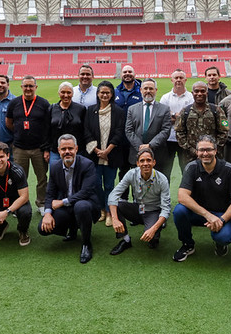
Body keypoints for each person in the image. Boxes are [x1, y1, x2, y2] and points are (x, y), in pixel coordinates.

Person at [172, 135, 231, 262]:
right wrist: (207, 215)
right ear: (197, 152)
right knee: (179, 211)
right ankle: (188, 244)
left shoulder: (228, 169)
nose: (205, 153)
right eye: (202, 150)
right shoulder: (192, 167)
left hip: (222, 214)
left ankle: (220, 243)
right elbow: (182, 196)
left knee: (224, 237)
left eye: (209, 150)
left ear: (215, 151)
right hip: (199, 214)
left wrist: (221, 219)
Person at [38, 135, 101, 264]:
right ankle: (72, 229)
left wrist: (62, 201)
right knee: (42, 228)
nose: (67, 152)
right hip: (68, 206)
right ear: (58, 150)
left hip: (88, 204)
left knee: (81, 206)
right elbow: (50, 193)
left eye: (70, 148)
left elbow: (86, 192)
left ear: (76, 149)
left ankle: (86, 244)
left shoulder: (87, 164)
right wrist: (47, 213)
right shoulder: (55, 167)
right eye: (64, 149)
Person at [107, 148, 171, 254]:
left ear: (154, 162)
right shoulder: (131, 174)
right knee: (117, 205)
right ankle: (125, 240)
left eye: (148, 160)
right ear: (137, 163)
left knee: (153, 237)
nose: (145, 164)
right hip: (137, 208)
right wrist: (114, 219)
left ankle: (155, 233)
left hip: (153, 211)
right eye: (142, 161)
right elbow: (113, 195)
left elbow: (166, 208)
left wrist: (154, 228)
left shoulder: (162, 179)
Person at [6, 76, 51, 210]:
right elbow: (9, 123)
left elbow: (48, 127)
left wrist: (46, 148)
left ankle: (41, 203)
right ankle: (19, 204)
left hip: (39, 148)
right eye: (25, 86)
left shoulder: (43, 103)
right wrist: (20, 132)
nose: (28, 89)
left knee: (42, 178)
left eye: (31, 86)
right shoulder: (14, 103)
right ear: (21, 87)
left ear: (36, 87)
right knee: (19, 178)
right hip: (19, 148)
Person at [83, 80, 125, 226]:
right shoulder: (90, 110)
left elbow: (120, 132)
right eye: (102, 92)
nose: (104, 95)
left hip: (111, 155)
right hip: (94, 156)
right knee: (95, 184)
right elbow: (86, 131)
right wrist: (97, 150)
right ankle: (101, 208)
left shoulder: (118, 111)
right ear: (98, 94)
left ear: (112, 94)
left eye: (107, 92)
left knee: (109, 185)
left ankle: (108, 212)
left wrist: (107, 150)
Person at [175, 80, 229, 165]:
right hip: (190, 157)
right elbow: (179, 132)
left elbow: (225, 130)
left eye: (202, 91)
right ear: (192, 93)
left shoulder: (217, 110)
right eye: (196, 91)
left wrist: (212, 149)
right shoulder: (185, 111)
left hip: (213, 157)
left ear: (207, 93)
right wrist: (191, 150)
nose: (199, 94)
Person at [125, 78, 172, 171]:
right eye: (145, 88)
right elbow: (129, 130)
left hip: (158, 155)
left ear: (156, 90)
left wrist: (150, 145)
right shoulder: (132, 109)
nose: (148, 91)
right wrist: (141, 147)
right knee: (137, 184)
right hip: (137, 154)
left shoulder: (164, 109)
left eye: (151, 88)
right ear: (141, 90)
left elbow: (165, 131)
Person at [158, 68, 193, 180]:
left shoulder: (191, 97)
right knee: (165, 171)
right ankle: (165, 197)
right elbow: (163, 118)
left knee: (186, 170)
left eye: (181, 78)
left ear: (185, 80)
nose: (178, 80)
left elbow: (191, 118)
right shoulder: (165, 97)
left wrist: (172, 116)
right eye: (176, 78)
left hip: (185, 139)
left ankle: (187, 195)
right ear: (172, 80)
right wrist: (179, 116)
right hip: (168, 139)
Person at [49, 81, 86, 166]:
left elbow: (84, 130)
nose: (66, 95)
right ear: (59, 93)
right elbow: (46, 130)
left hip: (76, 151)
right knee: (56, 175)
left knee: (76, 176)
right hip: (56, 151)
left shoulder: (81, 109)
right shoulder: (51, 109)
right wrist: (46, 150)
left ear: (72, 94)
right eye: (63, 92)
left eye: (69, 92)